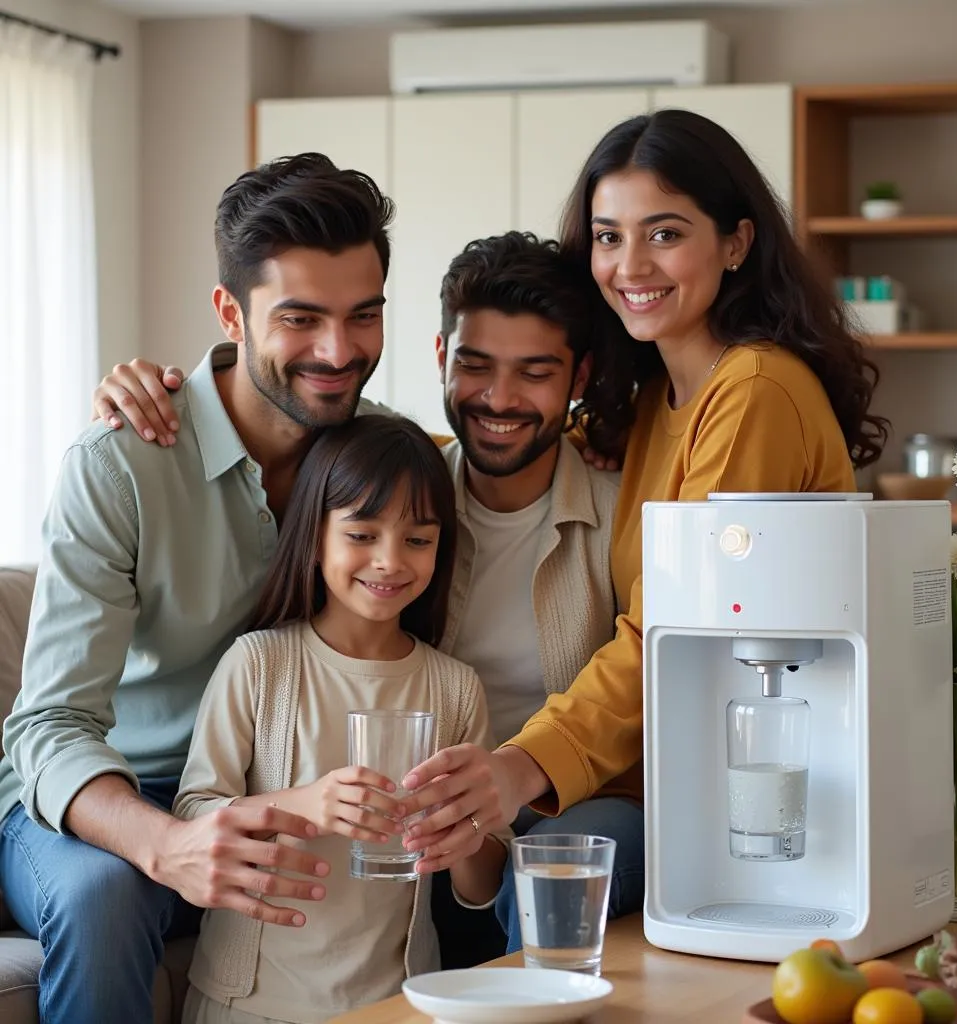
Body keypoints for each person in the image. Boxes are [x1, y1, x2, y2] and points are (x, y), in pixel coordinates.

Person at [396, 108, 890, 941]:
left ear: (735, 242)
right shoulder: (659, 403)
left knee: (544, 875)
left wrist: (522, 765)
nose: (629, 265)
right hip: (652, 771)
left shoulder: (754, 391)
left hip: (725, 781)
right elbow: (509, 431)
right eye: (608, 236)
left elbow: (669, 626)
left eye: (663, 233)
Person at [89, 231, 642, 964]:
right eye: (476, 366)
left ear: (578, 377)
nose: (500, 399)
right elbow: (273, 396)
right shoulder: (400, 491)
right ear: (442, 359)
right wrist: (154, 391)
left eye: (535, 373)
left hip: (542, 813)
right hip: (415, 826)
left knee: (552, 863)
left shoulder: (620, 512)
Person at [0, 152, 396, 1024]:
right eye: (300, 318)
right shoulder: (122, 463)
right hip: (116, 800)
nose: (339, 352)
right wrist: (168, 843)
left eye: (363, 316)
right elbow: (50, 724)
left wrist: (595, 431)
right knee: (108, 896)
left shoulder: (385, 456)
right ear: (230, 312)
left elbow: (494, 454)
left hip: (275, 792)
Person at [174, 414, 508, 1024]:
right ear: (315, 534)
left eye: (418, 539)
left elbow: (482, 890)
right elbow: (193, 820)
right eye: (362, 533)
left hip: (399, 1002)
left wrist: (460, 834)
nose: (389, 561)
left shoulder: (455, 688)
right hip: (248, 1003)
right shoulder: (259, 664)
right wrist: (307, 805)